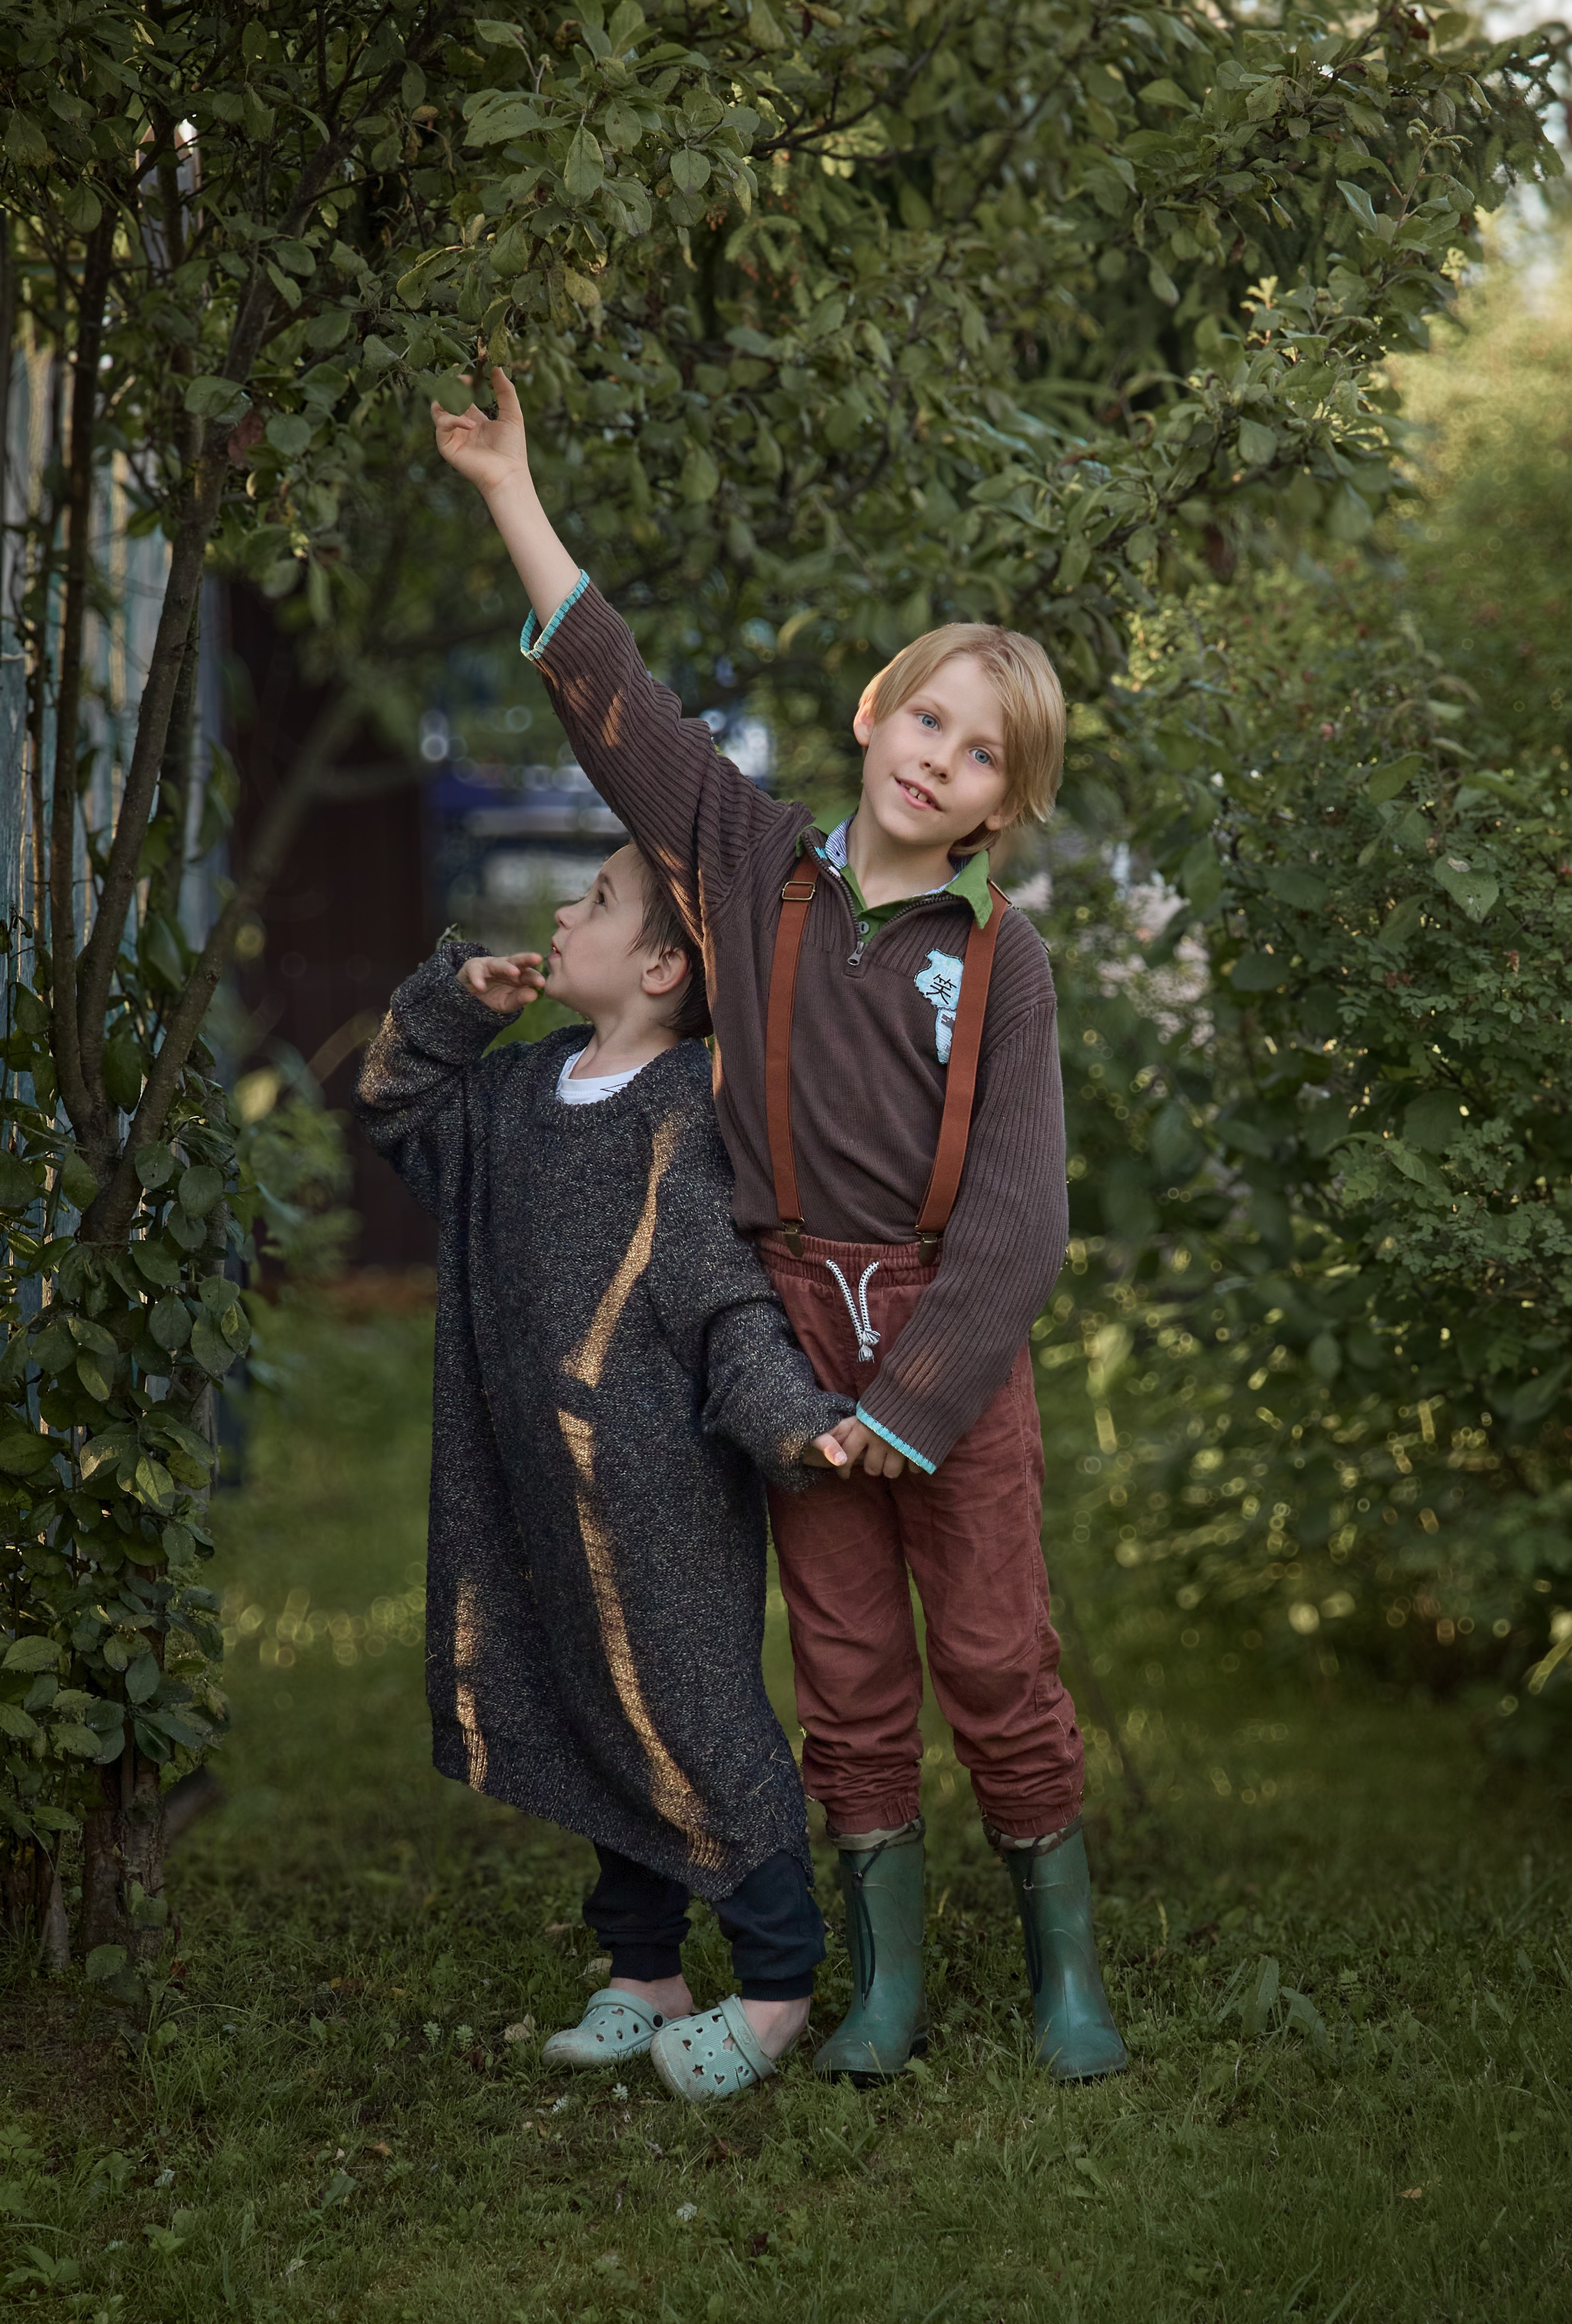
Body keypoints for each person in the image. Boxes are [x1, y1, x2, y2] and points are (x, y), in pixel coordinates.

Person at [432, 367, 1126, 2086]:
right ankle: (881, 1975)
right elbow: (624, 712)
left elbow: (1023, 1219)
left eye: (979, 757)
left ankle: (1063, 1969)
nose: (938, 760)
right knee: (841, 1665)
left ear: (995, 808)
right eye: (928, 720)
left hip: (939, 1361)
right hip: (788, 1338)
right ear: (877, 712)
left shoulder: (1002, 962)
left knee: (986, 1648)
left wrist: (919, 1402)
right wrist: (515, 493)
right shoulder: (754, 868)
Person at [357, 840, 854, 2105]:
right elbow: (394, 1103)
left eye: (598, 901)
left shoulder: (683, 1110)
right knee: (587, 1705)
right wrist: (448, 1004)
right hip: (529, 1484)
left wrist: (797, 1423)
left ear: (662, 964)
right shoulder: (518, 1093)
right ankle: (646, 1974)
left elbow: (724, 1303)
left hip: (657, 1500)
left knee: (694, 1716)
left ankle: (780, 1983)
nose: (563, 914)